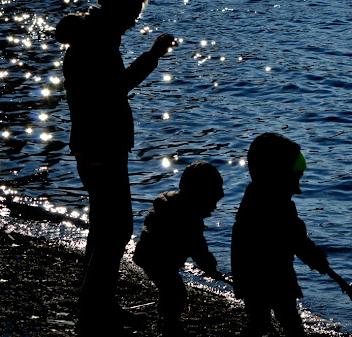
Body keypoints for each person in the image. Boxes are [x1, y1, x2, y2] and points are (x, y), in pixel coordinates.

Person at [55, 0, 176, 336]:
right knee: (116, 227)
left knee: (105, 224)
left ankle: (96, 300)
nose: (135, 21)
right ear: (117, 10)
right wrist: (153, 56)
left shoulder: (92, 38)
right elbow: (116, 88)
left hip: (94, 144)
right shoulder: (97, 42)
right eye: (133, 13)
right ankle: (96, 304)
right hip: (101, 145)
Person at [231, 132, 331, 337]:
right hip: (273, 277)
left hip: (250, 275)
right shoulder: (275, 206)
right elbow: (296, 239)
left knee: (260, 322)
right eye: (294, 175)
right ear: (277, 173)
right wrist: (316, 258)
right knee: (289, 323)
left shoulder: (254, 197)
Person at [133, 161, 228, 336]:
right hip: (159, 260)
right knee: (176, 292)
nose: (214, 208)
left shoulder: (173, 203)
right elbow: (198, 249)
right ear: (199, 196)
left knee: (169, 289)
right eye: (212, 202)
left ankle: (166, 319)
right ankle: (169, 326)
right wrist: (210, 268)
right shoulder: (188, 218)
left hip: (148, 256)